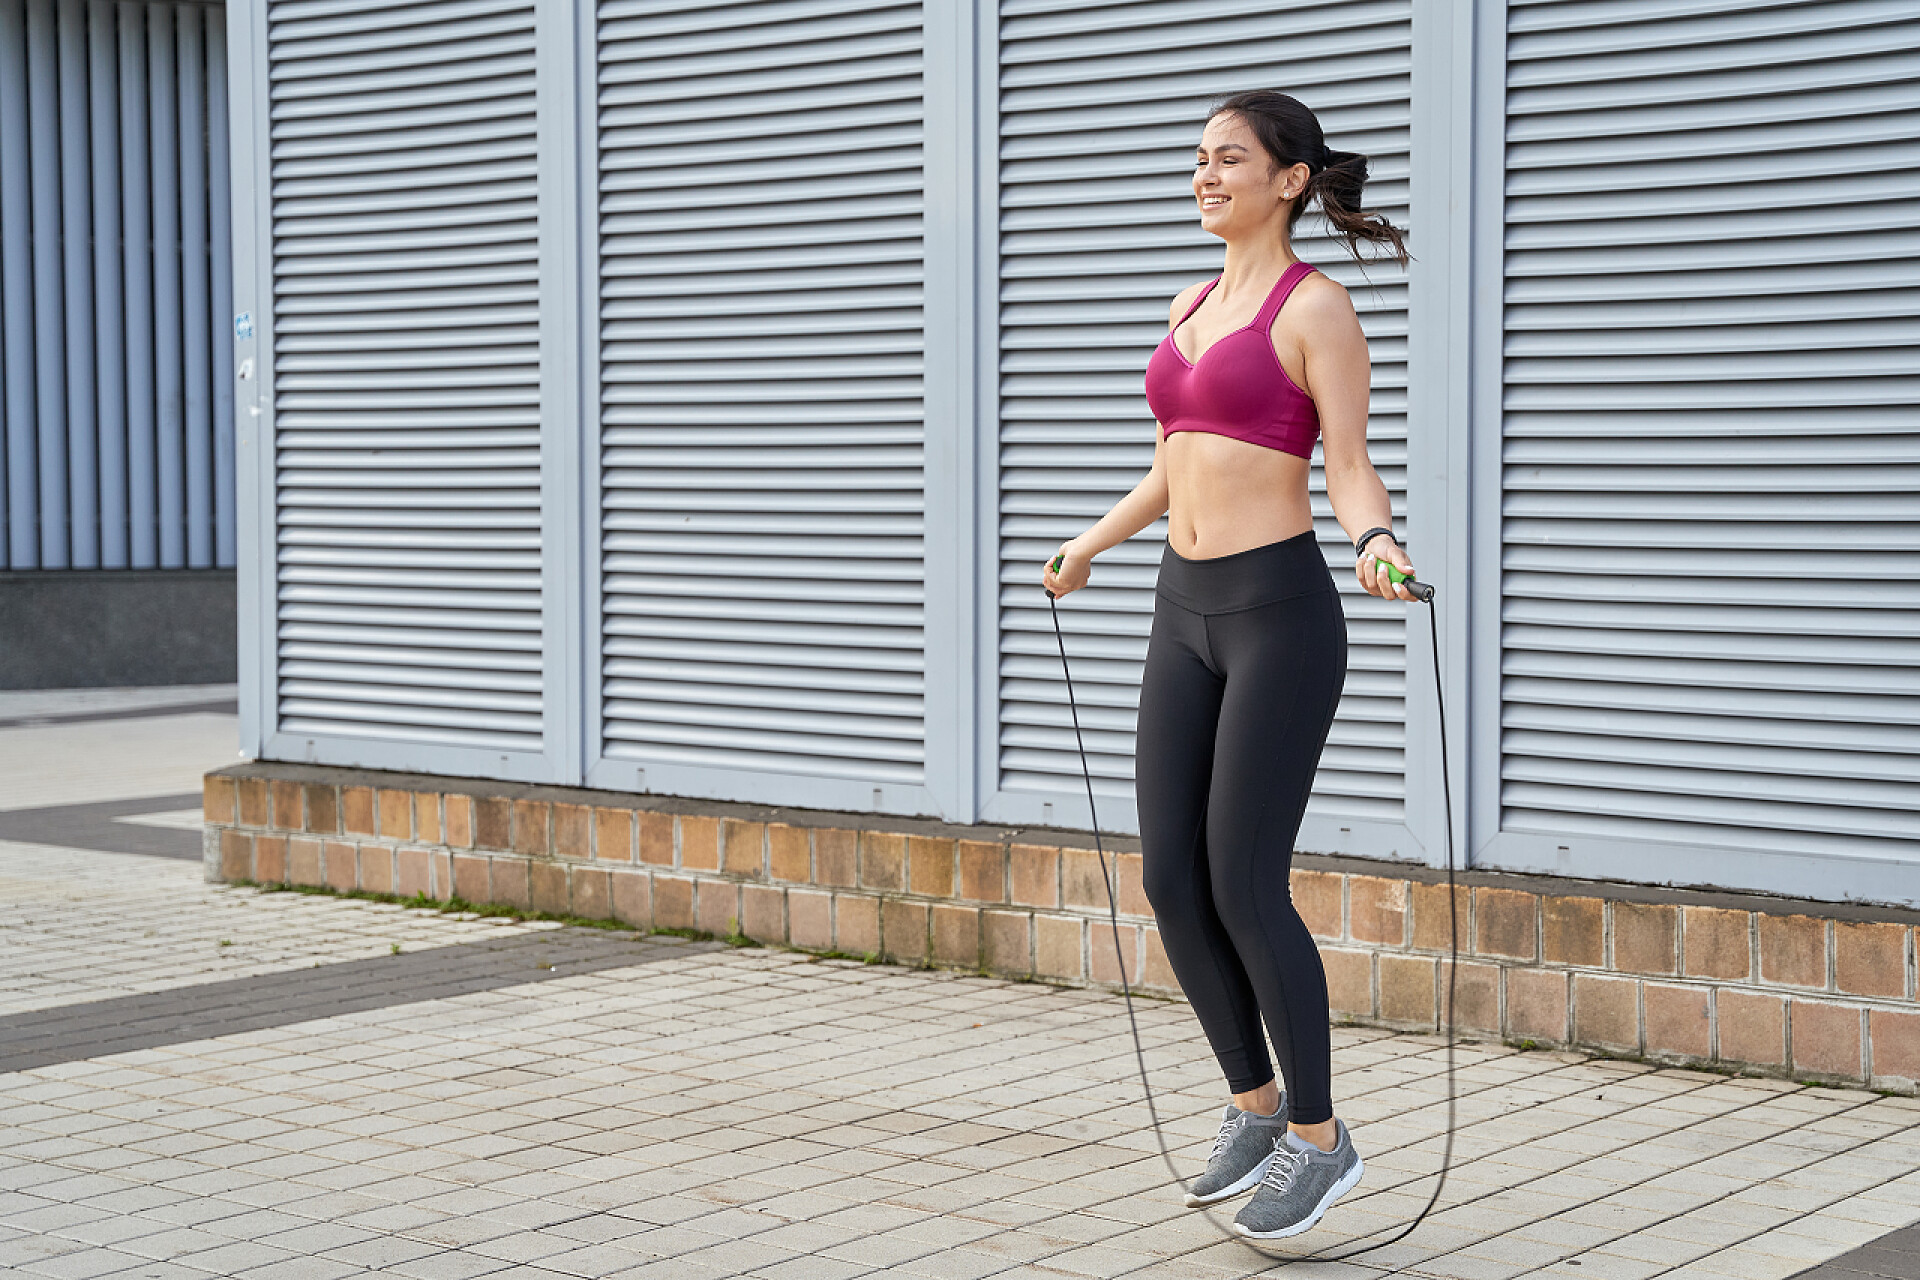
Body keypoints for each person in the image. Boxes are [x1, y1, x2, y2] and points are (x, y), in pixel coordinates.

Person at [1039, 89, 1416, 1241]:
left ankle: (1319, 1137)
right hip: (1181, 610)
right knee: (1170, 879)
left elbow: (1347, 461)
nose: (1206, 176)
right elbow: (1176, 460)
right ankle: (1254, 1108)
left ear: (1290, 179)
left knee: (1245, 879)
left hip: (1279, 613)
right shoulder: (1189, 302)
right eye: (1197, 159)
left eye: (1230, 159)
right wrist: (1091, 542)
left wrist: (1378, 542)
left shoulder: (1320, 309)